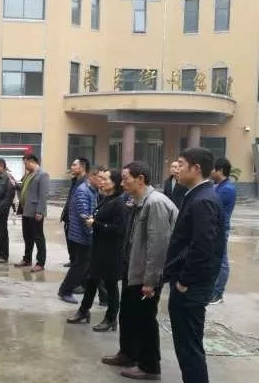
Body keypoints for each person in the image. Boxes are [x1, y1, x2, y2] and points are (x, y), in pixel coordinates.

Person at [101, 161, 178, 381]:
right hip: (133, 269)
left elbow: (158, 246)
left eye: (126, 178)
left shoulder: (155, 203)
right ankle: (128, 354)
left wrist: (150, 280)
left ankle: (150, 366)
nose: (122, 183)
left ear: (141, 179)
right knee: (128, 314)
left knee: (145, 319)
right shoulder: (138, 202)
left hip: (146, 274)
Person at [164, 148, 225, 383]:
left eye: (181, 164)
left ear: (196, 168)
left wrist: (184, 281)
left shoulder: (203, 200)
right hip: (188, 284)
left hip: (191, 288)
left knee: (190, 348)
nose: (176, 169)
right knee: (186, 346)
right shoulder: (195, 195)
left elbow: (202, 247)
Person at [66, 169, 128, 331]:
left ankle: (111, 318)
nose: (102, 181)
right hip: (98, 249)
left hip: (111, 252)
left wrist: (95, 224)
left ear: (115, 183)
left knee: (110, 286)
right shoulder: (105, 198)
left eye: (106, 179)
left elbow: (119, 229)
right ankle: (83, 311)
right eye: (101, 179)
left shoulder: (119, 204)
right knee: (91, 281)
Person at [58, 166, 100, 304]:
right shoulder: (83, 191)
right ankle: (65, 291)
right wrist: (92, 233)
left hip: (83, 234)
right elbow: (85, 216)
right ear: (92, 176)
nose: (102, 181)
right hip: (81, 235)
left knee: (82, 265)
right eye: (100, 178)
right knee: (79, 266)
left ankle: (73, 288)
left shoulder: (93, 190)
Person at [13, 154, 50, 272]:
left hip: (35, 212)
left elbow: (43, 195)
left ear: (32, 161)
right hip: (26, 210)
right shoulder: (28, 175)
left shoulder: (43, 175)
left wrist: (40, 211)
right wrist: (15, 185)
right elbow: (23, 188)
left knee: (38, 237)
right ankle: (27, 259)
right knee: (27, 236)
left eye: (26, 163)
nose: (25, 166)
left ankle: (40, 262)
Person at [209, 157, 236, 304]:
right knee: (215, 260)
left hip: (220, 229)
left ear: (220, 170)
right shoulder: (218, 186)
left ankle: (218, 294)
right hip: (215, 228)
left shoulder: (227, 189)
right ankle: (213, 290)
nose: (211, 172)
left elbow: (212, 205)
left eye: (213, 169)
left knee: (222, 261)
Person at [61, 158, 89, 267]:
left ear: (82, 167)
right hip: (69, 217)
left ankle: (77, 264)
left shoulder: (85, 183)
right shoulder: (75, 181)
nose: (71, 167)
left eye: (74, 165)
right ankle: (73, 260)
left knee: (77, 243)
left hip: (78, 219)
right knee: (70, 242)